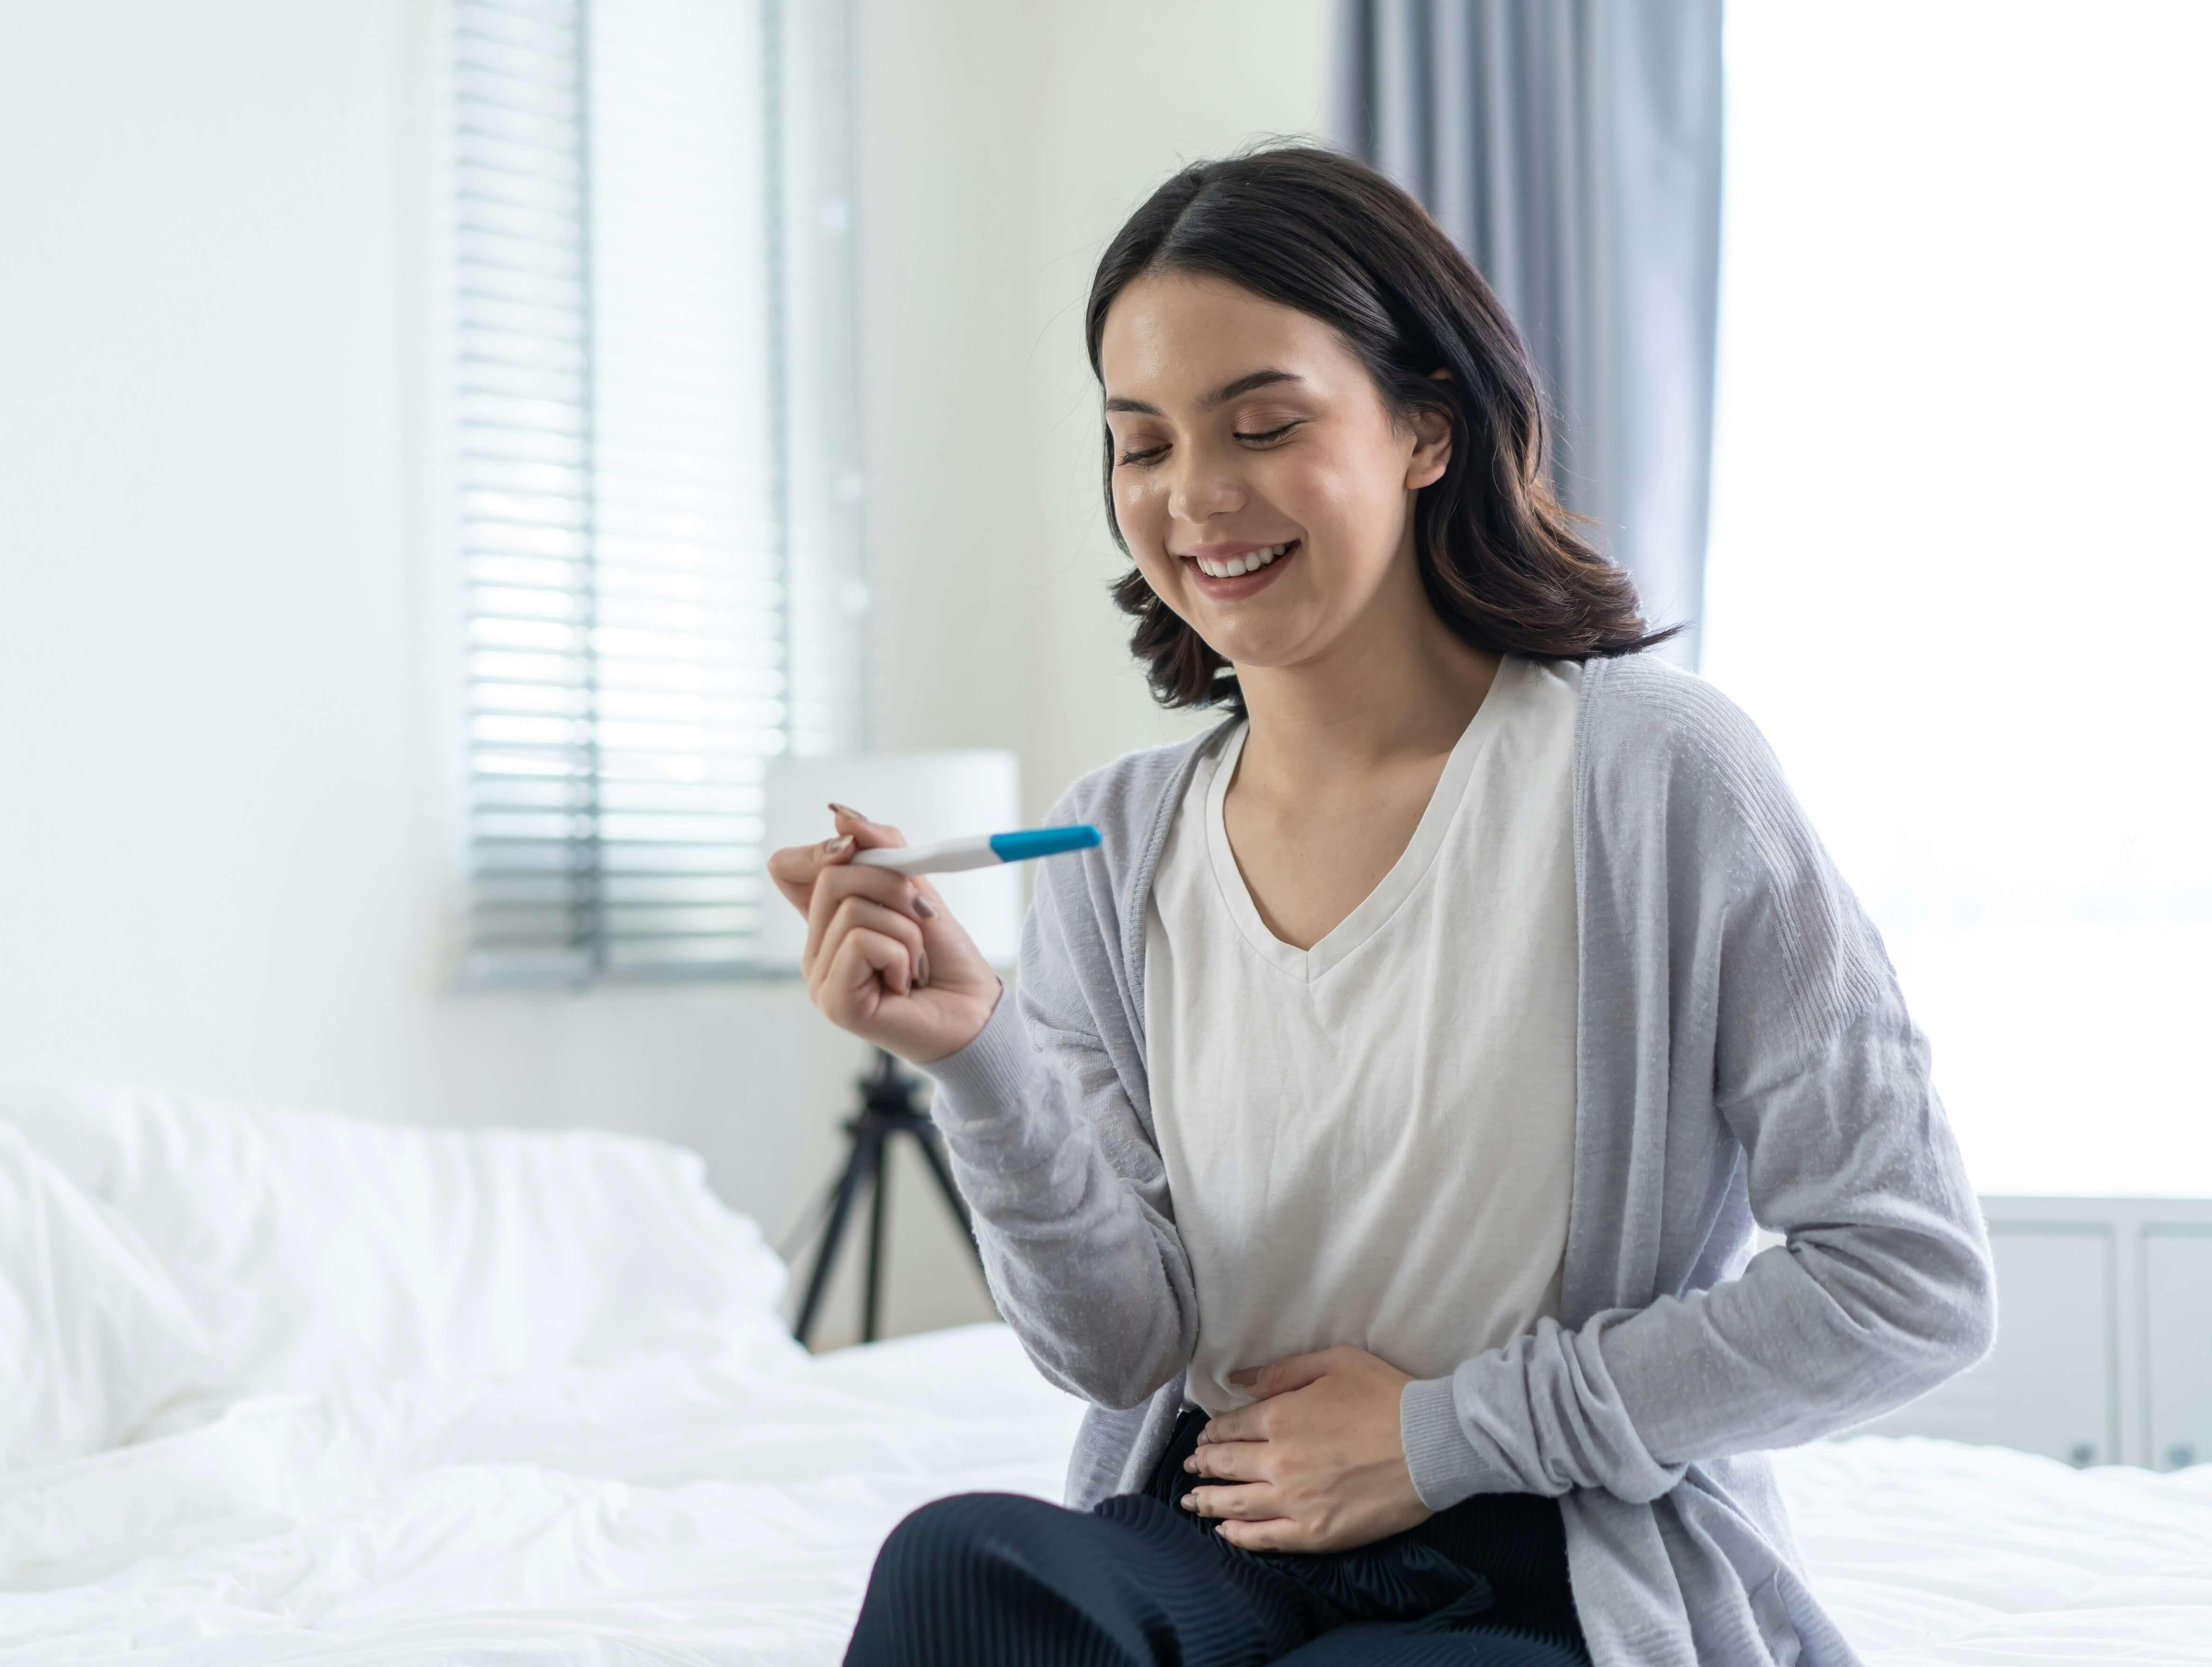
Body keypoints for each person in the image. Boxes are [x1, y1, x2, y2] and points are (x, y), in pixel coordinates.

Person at [766, 146, 1994, 1667]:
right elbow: (1116, 1346)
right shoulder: (1112, 837)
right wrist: (977, 1056)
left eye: (1264, 425)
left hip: (1541, 1547)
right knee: (957, 1564)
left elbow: (1910, 1277)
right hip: (1223, 1529)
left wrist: (1438, 1432)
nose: (1195, 498)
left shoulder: (1657, 776)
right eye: (1138, 445)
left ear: (1427, 425)